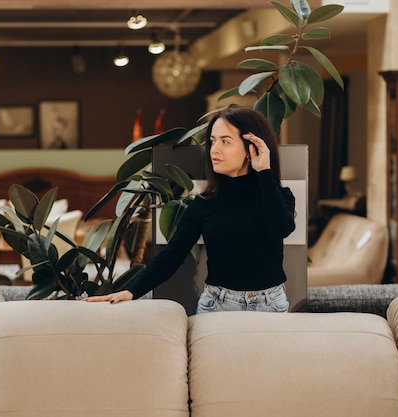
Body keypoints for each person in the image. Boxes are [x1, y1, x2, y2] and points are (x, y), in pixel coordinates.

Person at [84, 107, 296, 314]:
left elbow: (280, 227)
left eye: (225, 141)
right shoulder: (204, 203)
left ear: (252, 148)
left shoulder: (279, 196)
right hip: (218, 305)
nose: (214, 149)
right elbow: (172, 254)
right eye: (212, 141)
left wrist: (264, 173)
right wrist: (131, 291)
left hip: (270, 304)